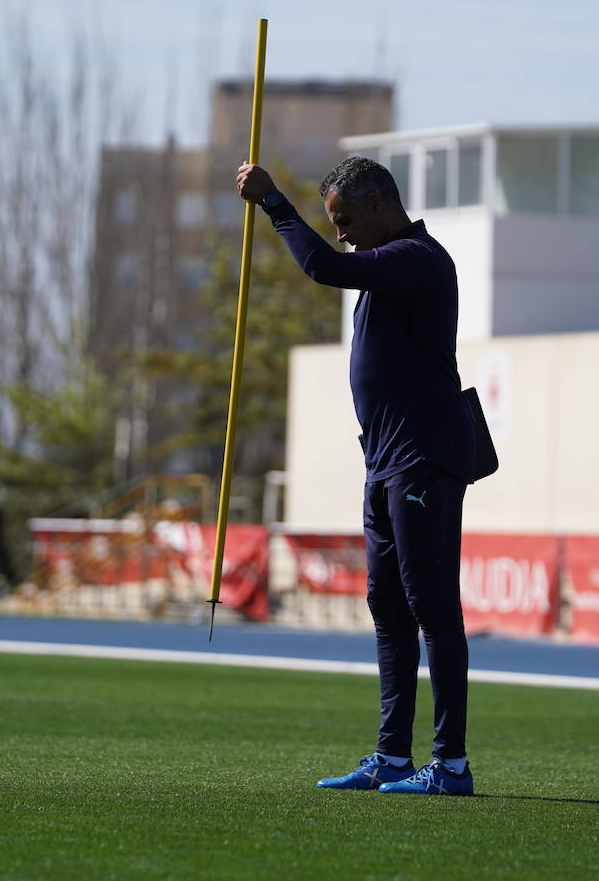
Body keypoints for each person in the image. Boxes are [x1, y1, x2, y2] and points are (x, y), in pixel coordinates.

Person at [236, 155, 476, 796]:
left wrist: (273, 204)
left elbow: (324, 267)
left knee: (431, 608)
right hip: (384, 462)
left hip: (423, 458)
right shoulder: (384, 269)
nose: (339, 232)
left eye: (344, 220)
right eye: (332, 223)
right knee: (388, 609)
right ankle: (393, 757)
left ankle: (450, 764)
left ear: (377, 204)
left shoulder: (416, 259)